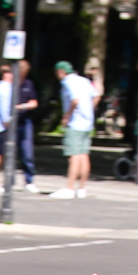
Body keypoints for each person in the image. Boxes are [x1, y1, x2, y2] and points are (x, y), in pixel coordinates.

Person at [0, 63, 39, 193]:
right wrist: (8, 125)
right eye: (12, 73)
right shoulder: (6, 89)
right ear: (6, 74)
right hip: (0, 127)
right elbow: (4, 110)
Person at [54, 61, 99, 198]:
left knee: (74, 155)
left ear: (61, 71)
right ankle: (82, 188)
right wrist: (89, 110)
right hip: (87, 122)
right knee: (83, 155)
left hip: (75, 122)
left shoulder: (68, 82)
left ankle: (69, 188)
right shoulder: (84, 80)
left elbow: (75, 100)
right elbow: (97, 96)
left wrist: (67, 116)